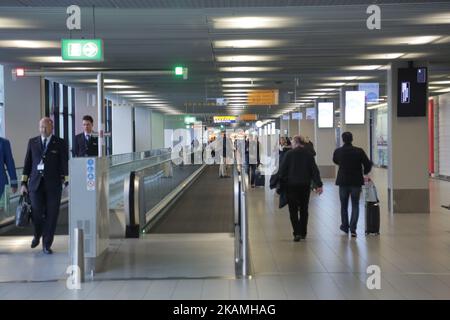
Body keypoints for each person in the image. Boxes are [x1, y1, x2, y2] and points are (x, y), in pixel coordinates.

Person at [20, 117, 69, 254]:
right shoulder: (32, 142)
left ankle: (46, 244)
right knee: (36, 213)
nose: (43, 129)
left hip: (53, 185)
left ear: (51, 127)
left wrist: (67, 181)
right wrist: (23, 183)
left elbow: (64, 163)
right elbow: (27, 164)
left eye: (45, 127)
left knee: (52, 215)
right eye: (41, 127)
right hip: (35, 185)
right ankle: (37, 234)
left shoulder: (60, 143)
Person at [279, 135, 323, 241]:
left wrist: (280, 185)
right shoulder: (308, 154)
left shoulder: (289, 154)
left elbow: (282, 170)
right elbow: (314, 170)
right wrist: (319, 184)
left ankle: (296, 233)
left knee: (293, 210)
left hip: (291, 185)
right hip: (304, 185)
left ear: (295, 142)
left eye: (293, 142)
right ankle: (303, 232)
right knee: (304, 209)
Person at [333, 131, 372, 237]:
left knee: (343, 205)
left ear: (342, 139)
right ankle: (353, 228)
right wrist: (365, 172)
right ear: (352, 139)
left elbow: (335, 161)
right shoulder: (359, 151)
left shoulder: (338, 151)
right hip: (356, 181)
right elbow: (368, 164)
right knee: (355, 205)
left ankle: (345, 226)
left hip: (343, 181)